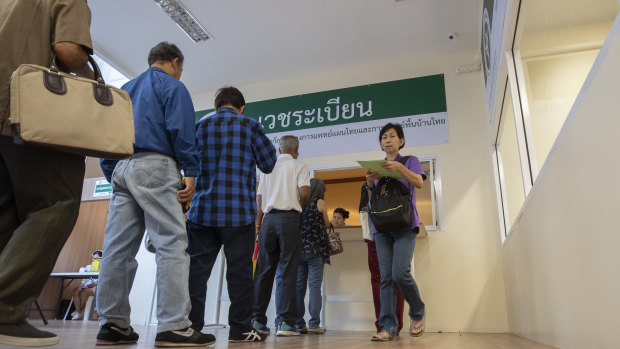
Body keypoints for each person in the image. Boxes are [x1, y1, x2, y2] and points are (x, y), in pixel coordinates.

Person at [96, 42, 214, 346]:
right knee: (172, 245)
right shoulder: (173, 86)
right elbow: (182, 132)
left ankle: (113, 324)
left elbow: (106, 137)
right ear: (175, 62)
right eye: (181, 68)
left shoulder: (123, 91)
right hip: (157, 165)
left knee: (117, 249)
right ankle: (173, 325)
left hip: (121, 167)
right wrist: (191, 173)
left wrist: (114, 173)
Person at [0, 0, 94, 346]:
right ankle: (5, 310)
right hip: (31, 113)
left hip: (2, 115)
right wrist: (86, 73)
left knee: (8, 213)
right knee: (57, 202)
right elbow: (68, 50)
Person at [186, 86, 277, 342]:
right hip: (238, 214)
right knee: (240, 273)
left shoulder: (199, 127)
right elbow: (269, 164)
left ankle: (191, 327)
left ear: (215, 107)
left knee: (197, 272)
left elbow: (186, 162)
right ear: (242, 107)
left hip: (202, 212)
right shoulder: (250, 125)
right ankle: (239, 329)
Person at [364, 123, 426, 341]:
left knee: (400, 273)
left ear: (401, 141)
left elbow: (418, 182)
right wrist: (370, 184)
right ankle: (388, 327)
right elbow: (374, 202)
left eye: (392, 136)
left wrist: (400, 169)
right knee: (386, 278)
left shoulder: (410, 161)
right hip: (381, 227)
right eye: (384, 137)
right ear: (380, 143)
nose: (387, 139)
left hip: (404, 224)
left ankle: (418, 311)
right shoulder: (378, 167)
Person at [251, 135, 310, 337]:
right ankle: (284, 323)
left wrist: (258, 224)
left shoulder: (267, 167)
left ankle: (257, 321)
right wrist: (298, 207)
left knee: (263, 271)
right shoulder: (299, 165)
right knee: (287, 270)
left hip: (268, 221)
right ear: (296, 150)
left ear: (278, 150)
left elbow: (259, 199)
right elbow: (304, 193)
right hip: (289, 220)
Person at [359, 186, 405, 334]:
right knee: (397, 279)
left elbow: (364, 211)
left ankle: (383, 325)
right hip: (399, 235)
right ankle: (396, 325)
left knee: (379, 280)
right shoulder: (400, 183)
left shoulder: (369, 186)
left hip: (376, 236)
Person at [295, 178, 331, 334]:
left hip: (299, 251)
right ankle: (314, 324)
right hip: (315, 251)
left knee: (299, 288)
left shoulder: (299, 203)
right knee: (315, 288)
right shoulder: (320, 202)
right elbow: (327, 224)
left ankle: (298, 323)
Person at [70, 250, 102, 320]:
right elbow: (84, 279)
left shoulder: (103, 268)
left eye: (96, 258)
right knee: (76, 290)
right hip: (87, 286)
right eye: (93, 258)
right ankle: (79, 312)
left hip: (97, 287)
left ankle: (78, 312)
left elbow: (103, 281)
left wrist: (92, 284)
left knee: (85, 292)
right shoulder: (88, 267)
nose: (94, 260)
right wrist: (82, 284)